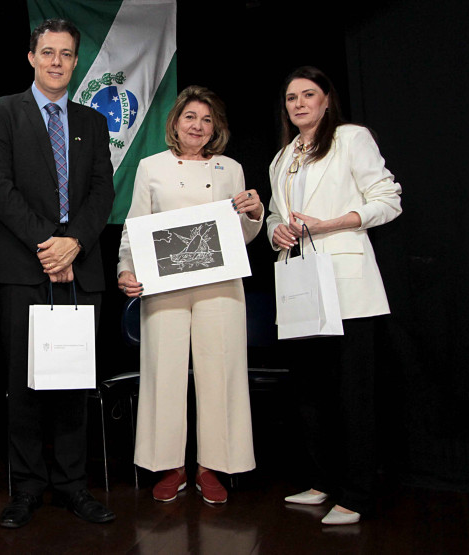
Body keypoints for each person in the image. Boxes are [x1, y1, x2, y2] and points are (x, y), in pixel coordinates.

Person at [0, 18, 115, 528]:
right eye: (48, 52)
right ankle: (28, 487)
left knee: (76, 381)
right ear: (32, 57)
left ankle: (73, 486)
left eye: (66, 54)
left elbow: (103, 191)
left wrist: (74, 243)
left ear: (76, 61)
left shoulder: (91, 120)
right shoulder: (1, 114)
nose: (57, 61)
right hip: (23, 265)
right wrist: (48, 245)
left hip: (83, 265)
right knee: (26, 382)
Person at [266, 66, 402, 525]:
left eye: (308, 95)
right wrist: (277, 232)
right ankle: (323, 480)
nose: (299, 103)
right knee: (310, 390)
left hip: (346, 283)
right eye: (291, 98)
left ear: (327, 100)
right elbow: (272, 217)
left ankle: (357, 493)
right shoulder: (282, 158)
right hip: (300, 285)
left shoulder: (350, 138)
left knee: (352, 393)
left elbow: (388, 199)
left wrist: (331, 223)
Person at [117, 86, 261, 505]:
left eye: (206, 120)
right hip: (164, 285)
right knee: (164, 372)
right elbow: (135, 224)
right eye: (189, 118)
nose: (197, 126)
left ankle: (213, 466)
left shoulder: (230, 168)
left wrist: (254, 215)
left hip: (220, 285)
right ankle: (170, 466)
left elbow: (243, 234)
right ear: (175, 123)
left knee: (221, 372)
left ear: (215, 128)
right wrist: (127, 268)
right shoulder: (150, 167)